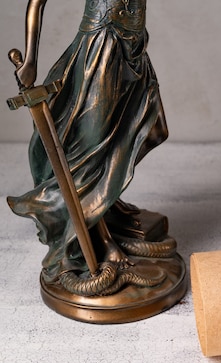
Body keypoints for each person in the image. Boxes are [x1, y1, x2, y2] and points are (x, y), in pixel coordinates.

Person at [8, 0, 173, 292]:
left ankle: (106, 209)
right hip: (101, 47)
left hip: (132, 48)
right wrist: (31, 58)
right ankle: (102, 241)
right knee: (91, 149)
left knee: (153, 128)